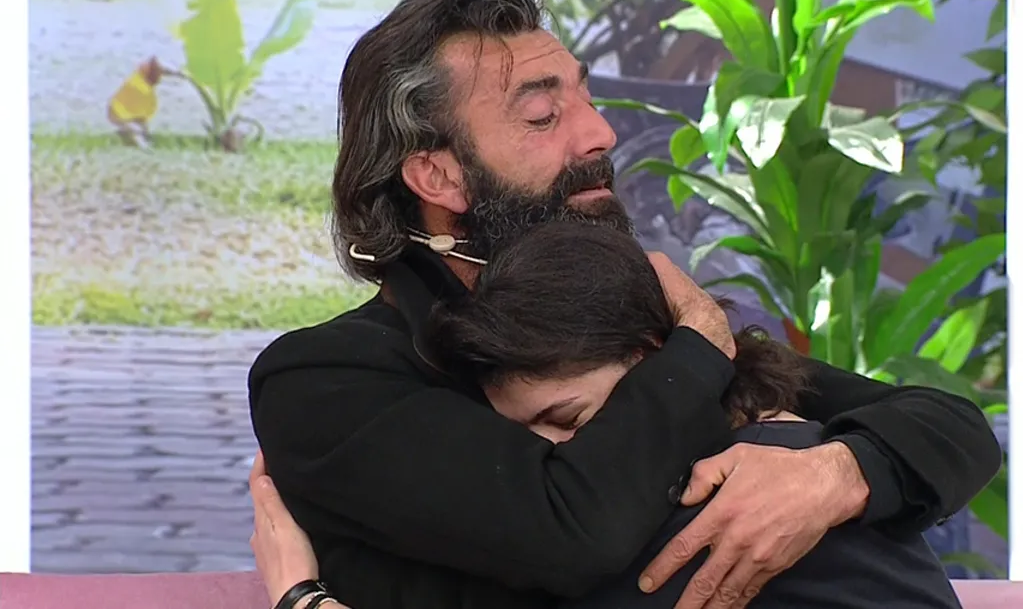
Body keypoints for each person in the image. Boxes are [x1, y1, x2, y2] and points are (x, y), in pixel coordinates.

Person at [248, 0, 1001, 608]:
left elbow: (947, 427)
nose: (600, 133)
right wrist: (698, 344)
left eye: (586, 99)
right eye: (542, 116)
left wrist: (831, 474)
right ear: (437, 176)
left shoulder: (624, 316)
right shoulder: (326, 379)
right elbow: (570, 535)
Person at [250, 223, 967, 609]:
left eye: (568, 418)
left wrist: (304, 595)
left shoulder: (727, 494)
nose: (556, 451)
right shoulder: (742, 440)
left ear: (653, 358)